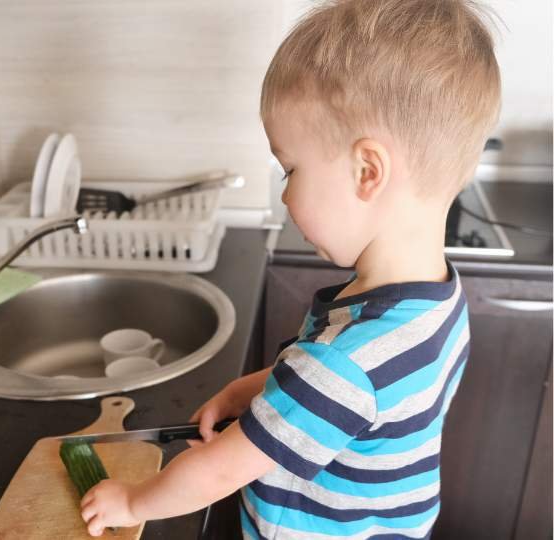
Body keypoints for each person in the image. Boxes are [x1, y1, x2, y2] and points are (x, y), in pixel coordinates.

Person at [79, 0, 501, 537]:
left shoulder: (344, 365)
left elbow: (219, 471)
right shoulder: (436, 298)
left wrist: (133, 504)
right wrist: (248, 391)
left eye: (290, 169)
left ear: (367, 170)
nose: (285, 196)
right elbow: (332, 395)